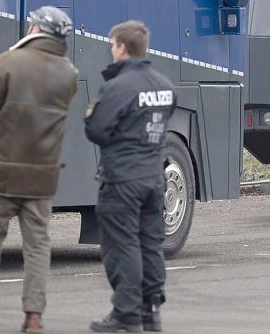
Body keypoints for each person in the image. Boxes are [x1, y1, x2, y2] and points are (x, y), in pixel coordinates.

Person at [0, 6, 78, 334]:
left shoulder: (7, 63)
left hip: (1, 172)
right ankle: (34, 318)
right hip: (42, 174)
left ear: (36, 29)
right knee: (37, 245)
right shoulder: (69, 74)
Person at [85, 20, 176, 333]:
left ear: (122, 47)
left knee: (121, 245)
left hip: (122, 180)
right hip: (153, 177)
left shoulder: (118, 87)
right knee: (150, 244)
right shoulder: (164, 85)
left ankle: (125, 314)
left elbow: (96, 129)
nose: (111, 50)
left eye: (112, 45)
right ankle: (151, 312)